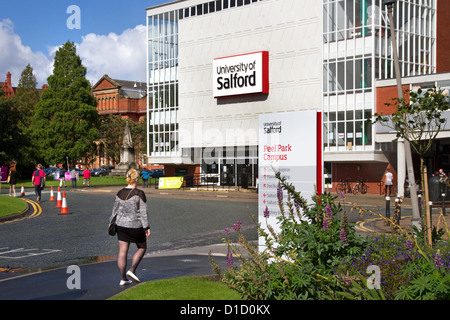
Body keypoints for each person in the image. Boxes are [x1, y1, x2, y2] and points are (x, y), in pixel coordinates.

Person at [109, 169, 150, 286]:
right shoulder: (139, 193)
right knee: (142, 247)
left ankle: (123, 279)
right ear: (136, 179)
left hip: (121, 225)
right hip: (136, 226)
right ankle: (132, 270)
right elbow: (143, 213)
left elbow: (114, 211)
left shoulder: (119, 192)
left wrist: (111, 222)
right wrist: (146, 227)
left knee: (122, 252)